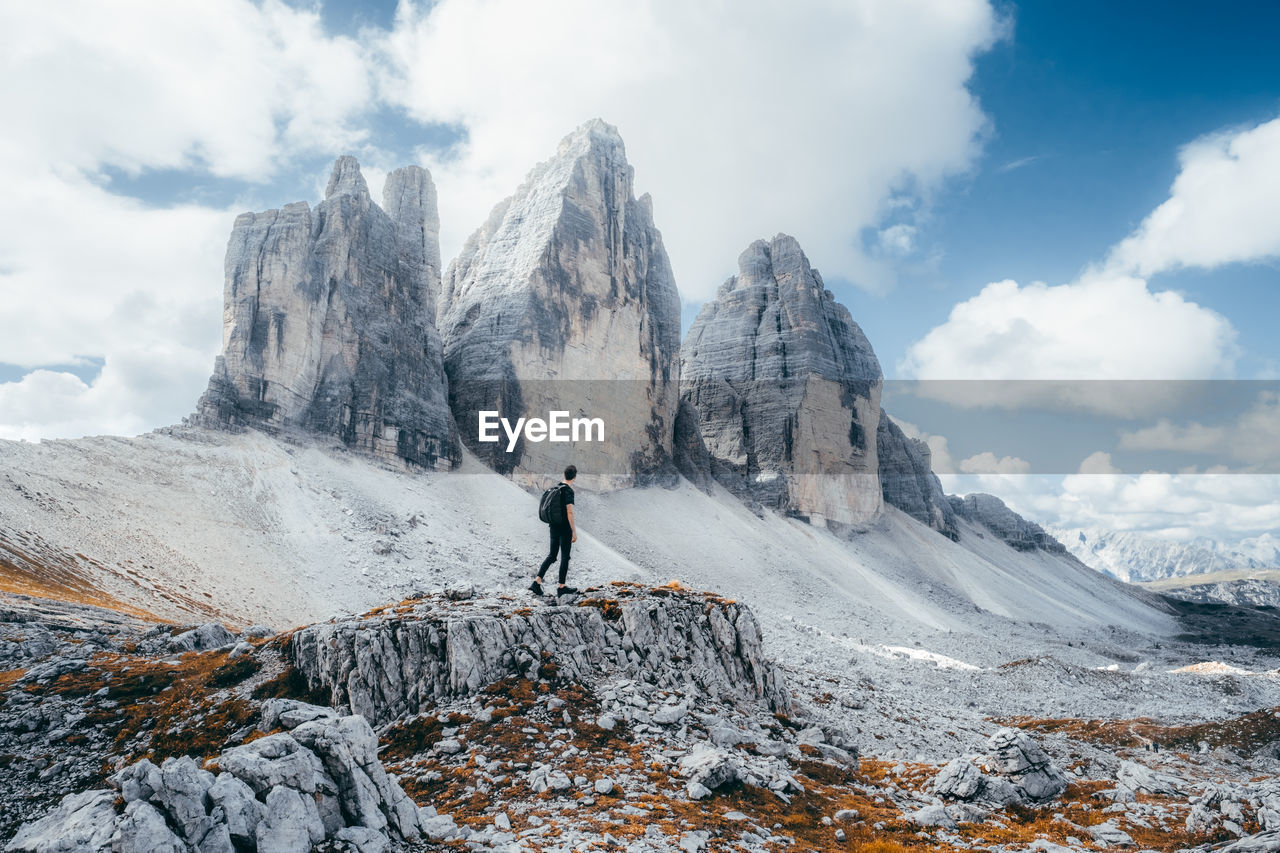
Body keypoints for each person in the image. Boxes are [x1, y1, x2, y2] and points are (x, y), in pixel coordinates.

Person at [530, 464, 578, 596]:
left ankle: (537, 582)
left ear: (564, 475)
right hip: (564, 528)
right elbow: (570, 512)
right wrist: (573, 531)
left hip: (553, 526)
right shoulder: (567, 491)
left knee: (552, 555)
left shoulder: (555, 488)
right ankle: (561, 586)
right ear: (574, 477)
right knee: (565, 557)